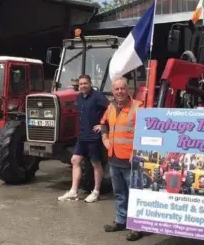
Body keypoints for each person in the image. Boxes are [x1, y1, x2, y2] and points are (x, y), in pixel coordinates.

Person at [100, 77, 143, 242]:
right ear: (113, 91)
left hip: (131, 161)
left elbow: (144, 131)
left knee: (134, 195)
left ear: (128, 90)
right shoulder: (110, 107)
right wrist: (105, 140)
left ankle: (135, 227)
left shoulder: (138, 107)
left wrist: (137, 151)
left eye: (122, 88)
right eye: (116, 89)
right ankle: (120, 221)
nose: (119, 92)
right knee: (119, 194)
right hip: (114, 159)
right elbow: (103, 124)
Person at [58, 74, 109, 203]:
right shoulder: (79, 98)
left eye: (85, 83)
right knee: (75, 160)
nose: (83, 86)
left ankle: (96, 192)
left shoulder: (98, 97)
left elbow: (111, 109)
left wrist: (103, 124)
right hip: (82, 136)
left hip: (93, 137)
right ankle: (74, 191)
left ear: (90, 83)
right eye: (81, 84)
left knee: (96, 164)